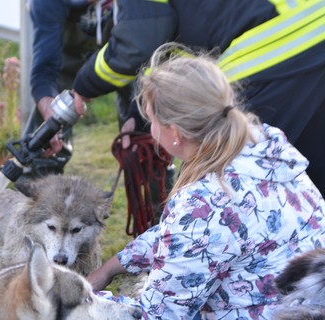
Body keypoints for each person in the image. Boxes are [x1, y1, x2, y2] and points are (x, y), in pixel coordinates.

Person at [85, 44, 325, 320]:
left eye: (151, 121)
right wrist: (113, 266)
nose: (151, 130)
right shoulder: (265, 145)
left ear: (175, 135)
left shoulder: (206, 201)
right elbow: (198, 238)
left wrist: (77, 299)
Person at [71, 0, 325, 194]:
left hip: (276, 47)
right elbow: (177, 45)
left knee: (221, 183)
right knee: (310, 171)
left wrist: (83, 86)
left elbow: (133, 47)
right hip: (315, 22)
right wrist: (139, 116)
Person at [26, 0, 114, 177]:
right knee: (46, 136)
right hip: (66, 58)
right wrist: (50, 113)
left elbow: (139, 45)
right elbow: (44, 70)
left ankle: (160, 198)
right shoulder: (45, 3)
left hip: (125, 52)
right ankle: (38, 186)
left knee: (141, 131)